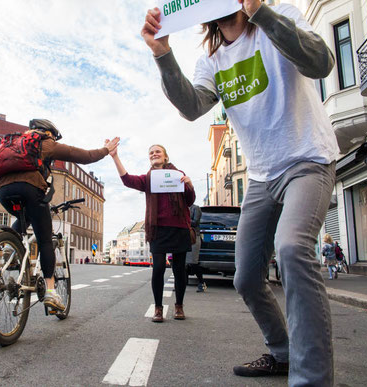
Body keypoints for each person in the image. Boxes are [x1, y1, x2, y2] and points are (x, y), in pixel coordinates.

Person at [142, 0, 338, 384]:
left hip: (308, 159)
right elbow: (192, 106)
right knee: (246, 278)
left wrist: (261, 12)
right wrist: (163, 53)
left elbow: (321, 64)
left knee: (292, 248)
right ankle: (281, 354)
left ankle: (312, 378)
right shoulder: (211, 60)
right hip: (262, 176)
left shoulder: (280, 17)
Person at [0, 119, 119, 313]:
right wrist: (105, 149)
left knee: (24, 217)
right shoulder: (45, 142)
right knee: (45, 240)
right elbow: (84, 156)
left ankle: (9, 249)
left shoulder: (14, 143)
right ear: (50, 132)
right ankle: (51, 292)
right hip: (30, 189)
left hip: (2, 191)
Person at [110, 144, 195, 322]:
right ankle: (158, 308)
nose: (154, 154)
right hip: (158, 229)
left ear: (165, 157)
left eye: (158, 151)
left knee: (180, 270)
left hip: (179, 226)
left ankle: (179, 306)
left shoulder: (178, 174)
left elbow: (189, 200)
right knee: (157, 269)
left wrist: (189, 184)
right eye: (151, 152)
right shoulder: (148, 179)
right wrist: (115, 157)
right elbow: (127, 180)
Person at [187, 204, 206, 292]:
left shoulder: (195, 208)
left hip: (193, 237)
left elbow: (195, 222)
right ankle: (182, 283)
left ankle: (202, 283)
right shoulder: (181, 207)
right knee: (183, 262)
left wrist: (183, 219)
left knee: (193, 262)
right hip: (183, 237)